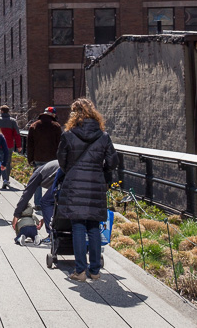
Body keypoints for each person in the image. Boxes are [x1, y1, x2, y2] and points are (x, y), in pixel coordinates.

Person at [55, 98, 118, 282]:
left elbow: (62, 160)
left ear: (74, 114)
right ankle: (95, 270)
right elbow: (113, 162)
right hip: (95, 185)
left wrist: (72, 171)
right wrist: (101, 170)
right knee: (93, 226)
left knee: (78, 227)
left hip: (74, 185)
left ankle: (80, 270)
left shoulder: (68, 135)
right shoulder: (103, 136)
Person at [12, 160, 60, 242]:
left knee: (45, 201)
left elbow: (27, 194)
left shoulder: (37, 175)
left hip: (66, 176)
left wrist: (16, 215)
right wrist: (46, 218)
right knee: (52, 201)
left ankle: (52, 236)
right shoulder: (48, 171)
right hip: (73, 174)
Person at [26, 107, 63, 209]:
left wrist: (30, 159)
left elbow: (30, 145)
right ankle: (50, 201)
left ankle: (37, 203)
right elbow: (60, 144)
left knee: (37, 180)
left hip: (38, 157)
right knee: (53, 180)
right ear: (53, 115)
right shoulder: (56, 126)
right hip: (53, 159)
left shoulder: (34, 126)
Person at [0, 105, 22, 190]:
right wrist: (19, 146)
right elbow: (17, 134)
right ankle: (6, 179)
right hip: (9, 145)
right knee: (7, 162)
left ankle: (1, 179)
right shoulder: (13, 121)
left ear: (1, 111)